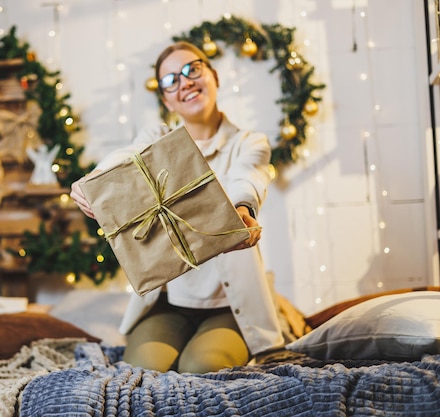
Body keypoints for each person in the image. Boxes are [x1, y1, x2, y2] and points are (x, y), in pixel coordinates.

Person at [70, 41, 284, 373]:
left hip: (229, 307)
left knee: (201, 368)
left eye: (192, 69)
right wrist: (96, 177)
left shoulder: (249, 142)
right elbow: (130, 155)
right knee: (144, 371)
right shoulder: (158, 138)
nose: (184, 82)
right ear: (166, 99)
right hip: (167, 305)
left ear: (213, 76)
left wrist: (243, 209)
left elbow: (249, 177)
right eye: (171, 80)